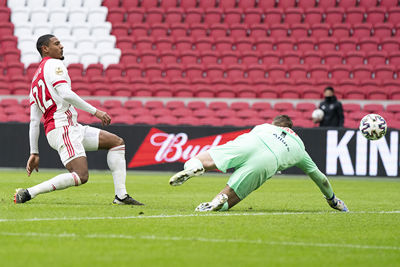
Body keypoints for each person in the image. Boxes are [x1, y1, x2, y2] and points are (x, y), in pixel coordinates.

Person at [14, 34, 143, 205]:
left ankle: (121, 196)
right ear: (45, 49)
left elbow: (34, 121)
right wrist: (95, 112)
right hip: (63, 127)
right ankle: (29, 193)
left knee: (116, 142)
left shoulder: (35, 80)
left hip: (67, 127)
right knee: (81, 175)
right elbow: (66, 94)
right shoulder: (54, 64)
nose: (61, 46)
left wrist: (34, 152)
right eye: (56, 43)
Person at [169, 115, 348, 212]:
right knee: (233, 193)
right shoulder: (300, 148)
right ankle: (219, 201)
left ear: (275, 124)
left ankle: (195, 167)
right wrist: (332, 199)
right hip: (270, 161)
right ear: (290, 129)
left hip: (251, 141)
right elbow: (320, 178)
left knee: (204, 159)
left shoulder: (264, 126)